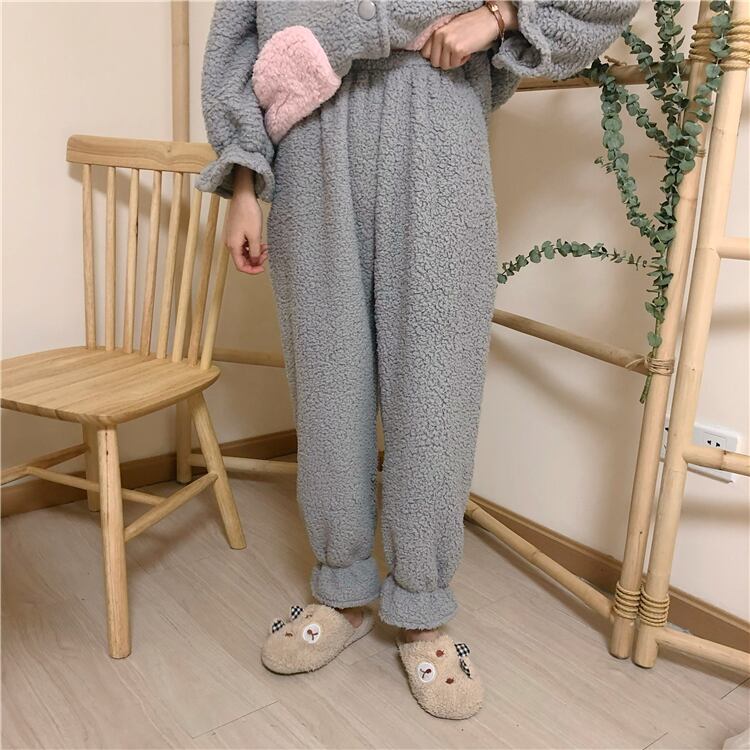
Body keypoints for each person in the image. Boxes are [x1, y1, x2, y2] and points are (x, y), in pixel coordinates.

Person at [197, 0, 640, 720]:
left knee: (437, 385)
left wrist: (501, 14)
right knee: (327, 384)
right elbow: (234, 46)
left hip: (435, 115)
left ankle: (423, 607)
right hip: (308, 135)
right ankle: (342, 586)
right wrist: (243, 183)